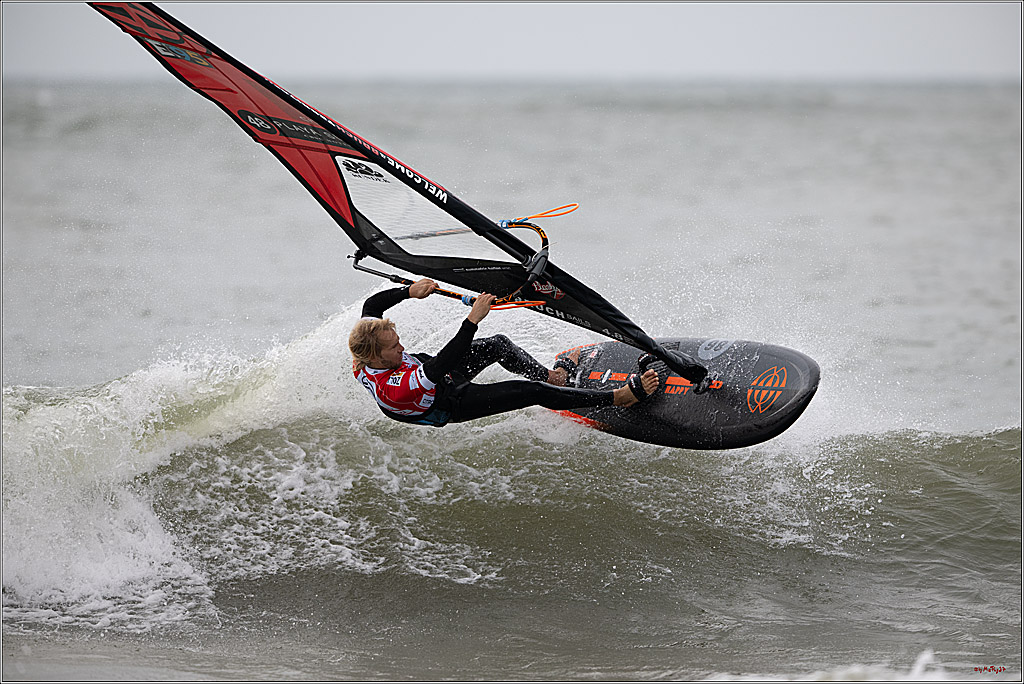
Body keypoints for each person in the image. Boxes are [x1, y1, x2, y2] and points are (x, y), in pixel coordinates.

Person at [348, 278, 660, 426]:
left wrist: (408, 292)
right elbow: (445, 361)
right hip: (447, 403)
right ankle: (618, 397)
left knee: (497, 345)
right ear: (375, 358)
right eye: (393, 347)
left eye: (397, 339)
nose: (401, 347)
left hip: (434, 377)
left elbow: (372, 307)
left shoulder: (365, 345)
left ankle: (556, 376)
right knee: (533, 392)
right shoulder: (396, 388)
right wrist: (473, 319)